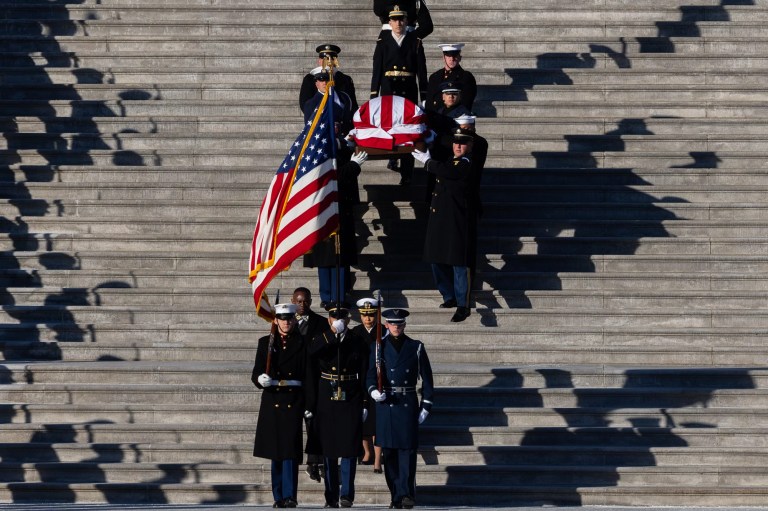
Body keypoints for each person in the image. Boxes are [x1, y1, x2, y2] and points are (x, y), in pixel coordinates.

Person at [366, 308, 433, 509]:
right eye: (392, 324)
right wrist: (372, 391)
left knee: (407, 451)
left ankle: (406, 494)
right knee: (389, 452)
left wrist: (426, 405)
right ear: (386, 325)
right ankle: (395, 494)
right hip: (387, 403)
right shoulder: (378, 347)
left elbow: (427, 380)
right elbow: (370, 375)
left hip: (407, 402)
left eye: (400, 324)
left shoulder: (416, 347)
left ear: (405, 325)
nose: (396, 327)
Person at [306, 303, 370, 508]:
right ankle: (331, 495)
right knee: (329, 449)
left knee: (350, 448)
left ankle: (347, 494)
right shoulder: (322, 338)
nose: (339, 321)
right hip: (327, 393)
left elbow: (364, 369)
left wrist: (365, 402)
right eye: (334, 318)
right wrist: (332, 334)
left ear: (349, 320)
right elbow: (311, 354)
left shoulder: (357, 340)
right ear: (329, 320)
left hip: (350, 393)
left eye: (342, 318)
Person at [413, 128, 480, 323]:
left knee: (459, 263)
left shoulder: (466, 163)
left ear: (470, 146)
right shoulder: (451, 161)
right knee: (436, 258)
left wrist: (428, 162)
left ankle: (463, 305)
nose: (458, 146)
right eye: (456, 143)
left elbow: (449, 173)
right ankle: (448, 295)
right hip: (441, 218)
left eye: (463, 143)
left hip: (457, 219)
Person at [251, 303, 310, 508]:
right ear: (275, 320)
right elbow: (256, 372)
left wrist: (308, 404)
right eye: (282, 319)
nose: (286, 322)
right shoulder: (266, 342)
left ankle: (290, 495)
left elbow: (307, 376)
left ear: (294, 320)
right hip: (273, 399)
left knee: (291, 452)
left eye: (289, 319)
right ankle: (278, 496)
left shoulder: (303, 343)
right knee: (275, 451)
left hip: (293, 400)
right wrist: (261, 378)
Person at [302, 142, 368, 307]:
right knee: (325, 257)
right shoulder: (317, 156)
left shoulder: (337, 151)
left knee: (340, 257)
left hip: (338, 211)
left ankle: (338, 296)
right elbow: (333, 177)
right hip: (324, 212)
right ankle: (328, 297)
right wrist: (353, 166)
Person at [370, 5, 429, 185]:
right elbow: (377, 70)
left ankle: (407, 173)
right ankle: (392, 157)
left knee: (408, 130)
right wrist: (374, 94)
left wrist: (424, 95)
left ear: (406, 21)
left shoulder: (415, 41)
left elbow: (421, 70)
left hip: (408, 89)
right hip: (389, 89)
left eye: (401, 19)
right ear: (389, 22)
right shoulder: (383, 42)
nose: (398, 23)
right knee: (391, 126)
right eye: (395, 20)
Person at [291, 287, 330, 484]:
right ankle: (293, 458)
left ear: (311, 301)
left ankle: (314, 461)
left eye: (305, 301)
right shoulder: (284, 321)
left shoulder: (321, 323)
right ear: (292, 301)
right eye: (298, 301)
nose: (302, 305)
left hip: (313, 380)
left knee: (313, 422)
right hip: (292, 380)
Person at [351, 297, 387, 474]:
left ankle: (378, 458)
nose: (368, 319)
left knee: (376, 421)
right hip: (360, 379)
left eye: (371, 315)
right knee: (364, 422)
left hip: (377, 380)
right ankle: (367, 452)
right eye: (365, 315)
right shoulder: (355, 332)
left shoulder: (384, 331)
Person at [300, 44, 358, 116]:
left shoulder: (345, 79)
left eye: (330, 59)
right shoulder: (310, 79)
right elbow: (304, 104)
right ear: (319, 61)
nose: (327, 62)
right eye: (324, 59)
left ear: (335, 61)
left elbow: (352, 104)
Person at [303, 66, 355, 136]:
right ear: (316, 83)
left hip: (345, 142)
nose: (324, 83)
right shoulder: (311, 104)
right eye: (321, 80)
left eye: (327, 79)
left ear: (333, 81)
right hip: (325, 143)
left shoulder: (345, 97)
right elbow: (310, 129)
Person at [426, 43, 477, 113]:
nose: (452, 59)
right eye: (448, 56)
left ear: (460, 58)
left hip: (454, 117)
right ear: (443, 58)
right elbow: (429, 102)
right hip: (435, 118)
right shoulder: (434, 76)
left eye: (455, 56)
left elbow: (466, 102)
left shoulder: (466, 77)